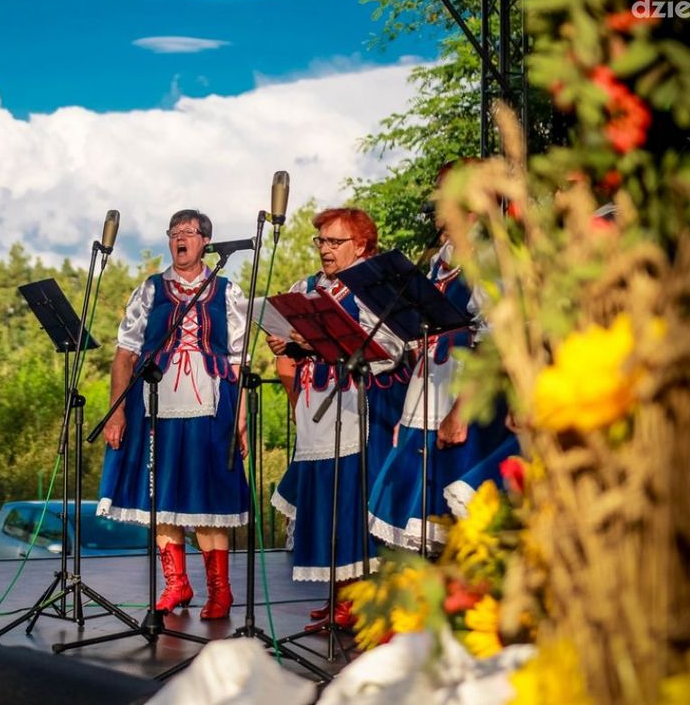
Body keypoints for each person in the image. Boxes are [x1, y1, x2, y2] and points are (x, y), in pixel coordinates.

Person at [97, 209, 250, 620]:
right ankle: (176, 583)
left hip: (211, 408)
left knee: (207, 501)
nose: (180, 238)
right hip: (156, 406)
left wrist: (242, 421)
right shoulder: (149, 291)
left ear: (204, 242)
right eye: (174, 232)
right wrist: (115, 413)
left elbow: (239, 362)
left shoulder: (227, 293)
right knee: (162, 498)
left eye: (189, 232)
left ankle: (220, 592)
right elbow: (125, 354)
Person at [267, 207, 408, 633]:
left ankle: (357, 598)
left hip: (354, 408)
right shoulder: (306, 288)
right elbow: (290, 336)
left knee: (348, 505)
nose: (325, 250)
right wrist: (283, 342)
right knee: (324, 507)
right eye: (321, 241)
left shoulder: (373, 288)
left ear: (361, 244)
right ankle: (337, 597)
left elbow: (391, 347)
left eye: (334, 242)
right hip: (315, 409)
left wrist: (320, 341)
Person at [367, 176, 519, 551]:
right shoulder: (440, 258)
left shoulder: (488, 257)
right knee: (412, 513)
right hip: (427, 394)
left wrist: (461, 412)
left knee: (453, 524)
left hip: (458, 394)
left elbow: (496, 336)